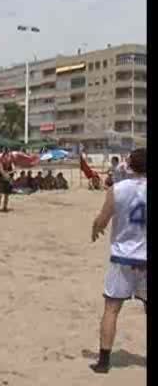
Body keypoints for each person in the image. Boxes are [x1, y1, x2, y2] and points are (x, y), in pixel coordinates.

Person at [89, 148, 146, 374]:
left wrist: (96, 229)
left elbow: (102, 219)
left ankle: (103, 362)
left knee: (111, 309)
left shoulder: (118, 190)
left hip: (123, 257)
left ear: (129, 166)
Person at [0, 148, 14, 213]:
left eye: (8, 155)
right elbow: (2, 172)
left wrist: (10, 175)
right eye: (7, 155)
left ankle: (4, 207)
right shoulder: (1, 162)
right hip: (1, 180)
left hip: (7, 180)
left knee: (6, 195)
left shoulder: (10, 163)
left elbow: (12, 171)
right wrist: (9, 174)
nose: (8, 156)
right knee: (0, 195)